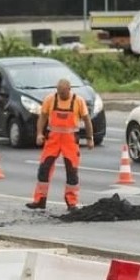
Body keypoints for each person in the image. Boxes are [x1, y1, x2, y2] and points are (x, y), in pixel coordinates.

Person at [27, 78, 94, 211]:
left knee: (72, 171)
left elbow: (87, 120)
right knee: (44, 169)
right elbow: (43, 117)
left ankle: (71, 202)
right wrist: (39, 134)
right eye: (59, 92)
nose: (61, 95)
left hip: (70, 141)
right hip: (53, 140)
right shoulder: (50, 100)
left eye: (63, 92)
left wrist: (89, 138)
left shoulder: (78, 101)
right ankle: (40, 200)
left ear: (69, 89)